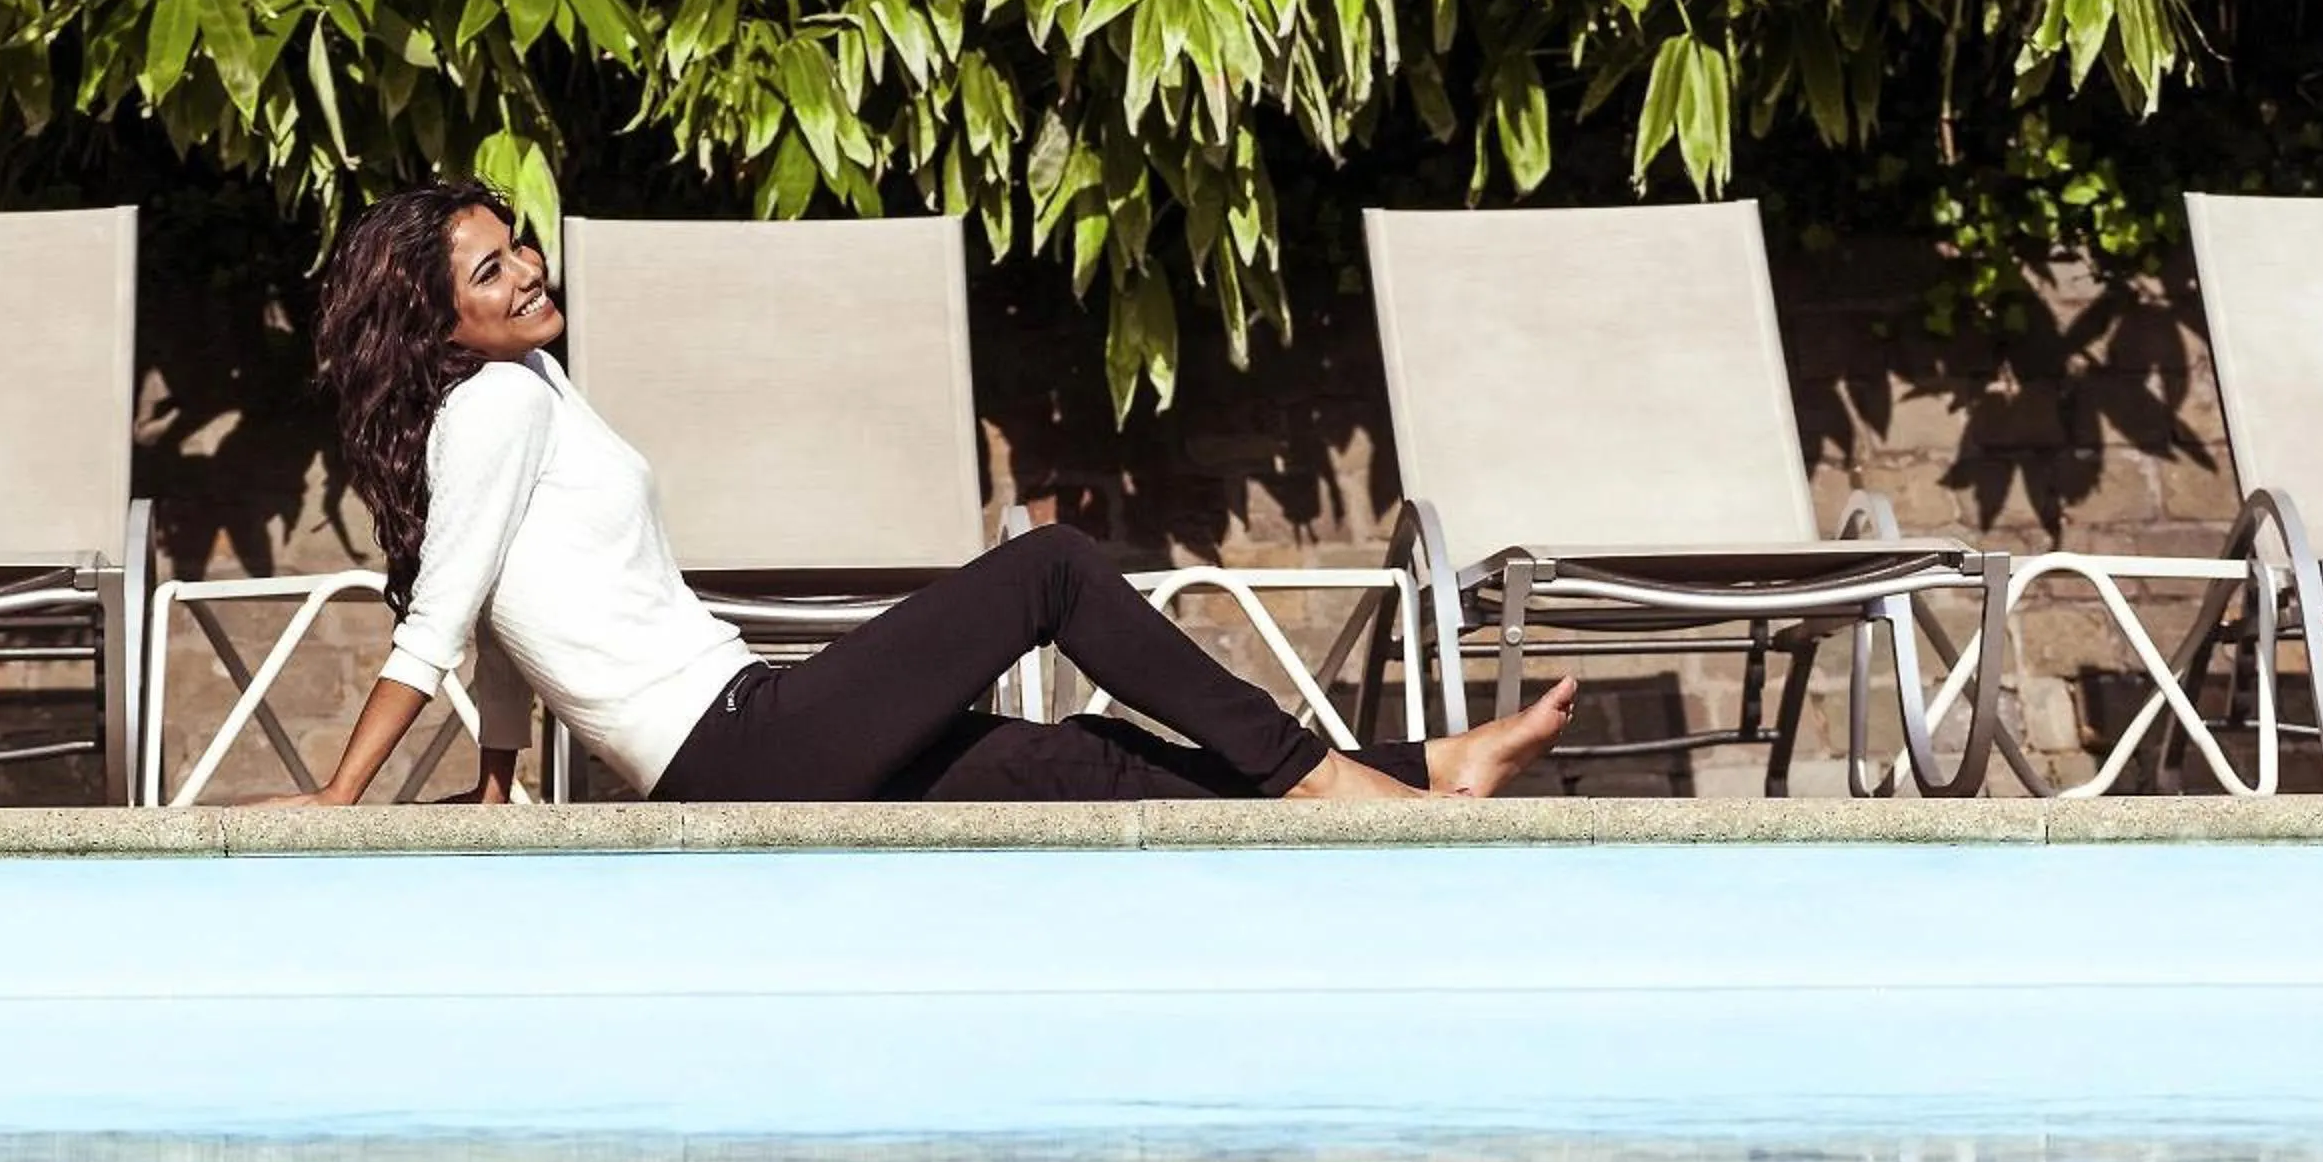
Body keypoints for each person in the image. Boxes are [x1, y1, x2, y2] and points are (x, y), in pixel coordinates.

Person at [261, 180, 1577, 809]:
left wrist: (498, 780)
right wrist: (336, 803)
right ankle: (1323, 782)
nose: (527, 271)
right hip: (732, 747)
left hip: (745, 731)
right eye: (489, 272)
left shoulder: (531, 385)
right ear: (434, 322)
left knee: (1071, 763)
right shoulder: (491, 407)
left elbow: (500, 628)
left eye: (517, 246)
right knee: (1049, 569)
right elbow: (441, 624)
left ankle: (1424, 767)